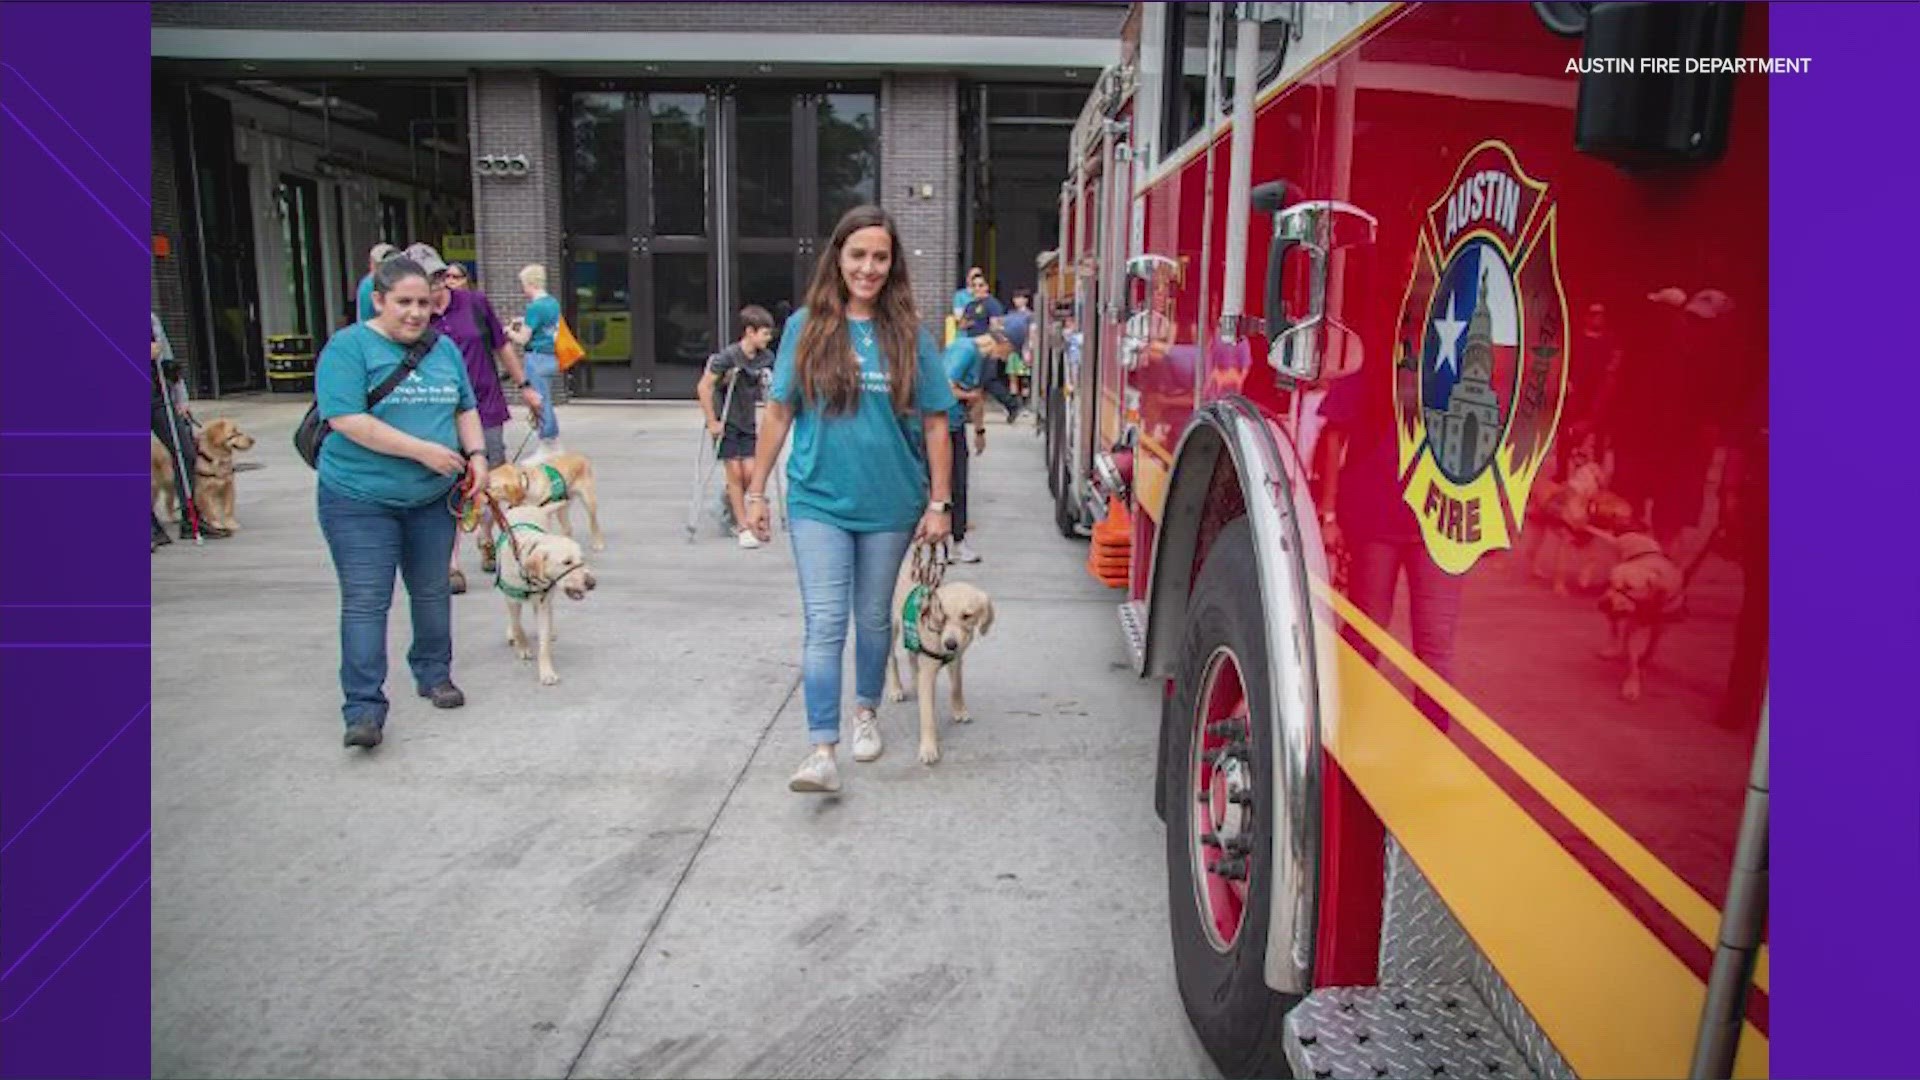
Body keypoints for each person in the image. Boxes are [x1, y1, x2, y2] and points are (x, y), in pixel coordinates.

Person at [743, 205, 956, 794]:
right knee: (825, 623)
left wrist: (940, 503)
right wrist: (756, 492)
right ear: (838, 257)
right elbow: (780, 410)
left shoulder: (909, 333)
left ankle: (865, 710)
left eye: (880, 257)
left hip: (891, 504)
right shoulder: (806, 327)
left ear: (892, 265)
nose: (868, 267)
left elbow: (937, 422)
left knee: (871, 618)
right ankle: (821, 750)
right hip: (818, 501)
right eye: (858, 254)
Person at [313, 254, 489, 750]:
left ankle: (434, 673)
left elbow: (465, 406)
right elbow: (346, 418)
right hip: (358, 497)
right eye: (403, 303)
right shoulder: (349, 348)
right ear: (378, 301)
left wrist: (475, 455)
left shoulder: (444, 349)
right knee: (367, 601)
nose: (415, 313)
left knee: (432, 590)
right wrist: (423, 451)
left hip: (431, 499)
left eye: (423, 303)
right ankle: (364, 708)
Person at [410, 242, 543, 593]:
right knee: (448, 486)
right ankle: (450, 563)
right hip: (437, 415)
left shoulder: (475, 303)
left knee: (492, 482)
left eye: (441, 275)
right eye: (429, 278)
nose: (437, 283)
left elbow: (502, 348)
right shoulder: (413, 318)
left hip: (484, 406)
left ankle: (488, 540)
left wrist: (525, 386)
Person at [698, 305, 777, 549]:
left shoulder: (766, 358)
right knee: (735, 473)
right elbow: (704, 387)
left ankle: (726, 504)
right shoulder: (727, 357)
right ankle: (743, 526)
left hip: (748, 421)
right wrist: (712, 421)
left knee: (751, 473)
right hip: (726, 421)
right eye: (764, 333)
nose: (768, 338)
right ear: (749, 332)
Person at [941, 329, 1015, 565]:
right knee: (951, 484)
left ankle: (956, 540)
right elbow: (945, 385)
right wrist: (967, 395)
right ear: (999, 343)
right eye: (1006, 353)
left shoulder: (980, 361)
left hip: (956, 424)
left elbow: (977, 396)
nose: (1004, 359)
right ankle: (951, 543)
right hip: (943, 426)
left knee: (959, 485)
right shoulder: (965, 350)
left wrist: (980, 432)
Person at [150, 311, 222, 543]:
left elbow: (169, 362)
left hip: (158, 396)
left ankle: (191, 518)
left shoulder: (149, 319)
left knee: (186, 451)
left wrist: (181, 398)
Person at [507, 263, 565, 460]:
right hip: (551, 357)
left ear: (529, 283)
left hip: (536, 357)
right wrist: (524, 320)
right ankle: (553, 443)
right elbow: (545, 324)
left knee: (539, 403)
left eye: (522, 283)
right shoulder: (552, 303)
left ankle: (547, 443)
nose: (522, 288)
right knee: (546, 400)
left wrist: (509, 332)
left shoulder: (534, 307)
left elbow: (523, 339)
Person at [1002, 289, 1035, 401]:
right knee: (1012, 375)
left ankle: (1025, 401)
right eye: (1016, 298)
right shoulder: (1010, 314)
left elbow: (1032, 332)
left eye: (1020, 298)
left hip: (1024, 348)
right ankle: (1014, 401)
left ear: (1026, 300)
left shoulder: (1030, 315)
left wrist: (1030, 348)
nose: (1017, 300)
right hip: (1011, 348)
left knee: (1025, 376)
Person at [355, 242, 399, 323]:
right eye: (384, 263)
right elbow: (367, 319)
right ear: (373, 263)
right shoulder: (369, 284)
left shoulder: (399, 280)